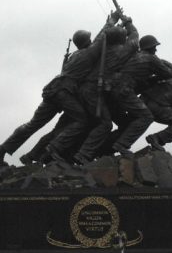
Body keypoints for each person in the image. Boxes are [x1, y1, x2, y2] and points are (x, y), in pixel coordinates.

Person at [0, 13, 119, 165]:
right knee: (82, 120)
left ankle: (3, 148)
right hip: (64, 92)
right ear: (87, 41)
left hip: (53, 89)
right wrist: (112, 22)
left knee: (33, 124)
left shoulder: (74, 55)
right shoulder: (88, 54)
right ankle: (53, 148)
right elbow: (101, 38)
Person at [48, 15, 139, 164]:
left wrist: (112, 24)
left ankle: (65, 151)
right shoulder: (121, 51)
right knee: (105, 124)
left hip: (82, 91)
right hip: (92, 92)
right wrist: (129, 23)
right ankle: (82, 154)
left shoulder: (99, 51)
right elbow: (135, 39)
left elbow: (99, 39)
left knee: (90, 123)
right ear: (122, 39)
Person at [98, 34, 172, 157]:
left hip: (114, 90)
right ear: (150, 47)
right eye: (154, 47)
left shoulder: (135, 56)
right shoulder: (151, 58)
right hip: (124, 91)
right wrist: (167, 68)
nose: (156, 49)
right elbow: (168, 74)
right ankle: (121, 145)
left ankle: (103, 149)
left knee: (128, 123)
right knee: (146, 117)